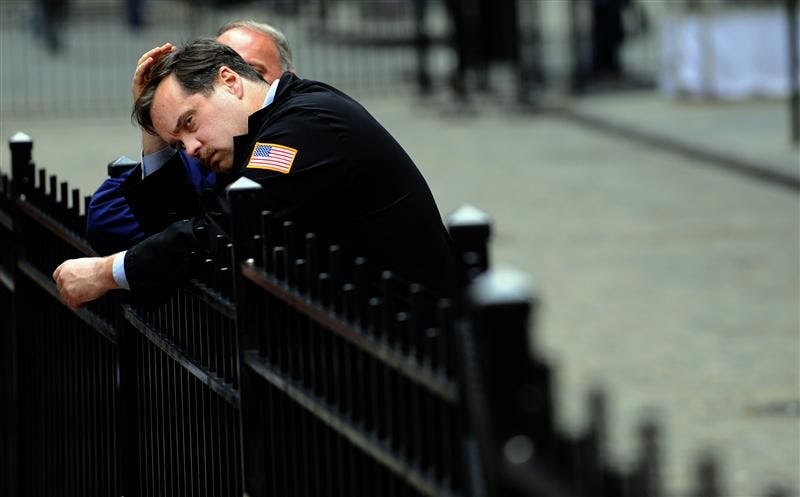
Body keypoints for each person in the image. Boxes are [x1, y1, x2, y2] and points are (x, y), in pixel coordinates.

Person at [54, 39, 456, 308]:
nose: (191, 149)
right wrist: (154, 133)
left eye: (190, 123)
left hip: (412, 349)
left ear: (229, 81)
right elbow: (183, 225)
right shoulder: (261, 131)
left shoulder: (302, 124)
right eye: (179, 142)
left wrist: (107, 273)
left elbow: (226, 227)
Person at [86, 20, 295, 255]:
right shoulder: (199, 148)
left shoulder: (291, 138)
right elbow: (107, 222)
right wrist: (157, 116)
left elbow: (229, 232)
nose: (243, 81)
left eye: (254, 71)